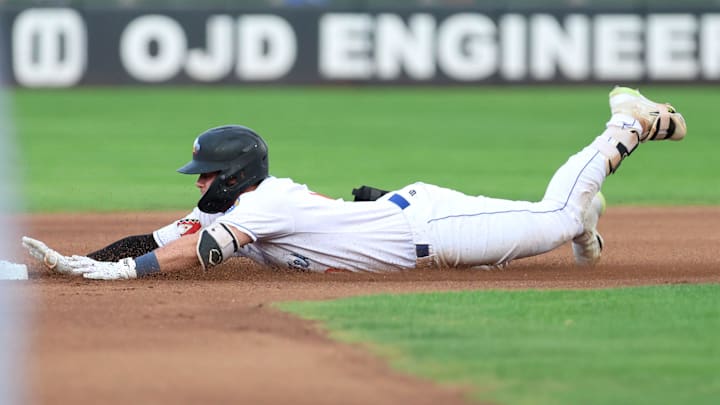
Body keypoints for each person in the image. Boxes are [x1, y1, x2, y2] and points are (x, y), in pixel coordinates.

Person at [22, 87, 687, 280]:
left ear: (237, 175)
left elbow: (198, 251)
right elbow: (159, 235)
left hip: (430, 230)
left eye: (208, 176)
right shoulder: (239, 200)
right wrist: (79, 263)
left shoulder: (264, 201)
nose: (199, 189)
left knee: (557, 216)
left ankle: (624, 127)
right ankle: (590, 204)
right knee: (554, 215)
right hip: (406, 218)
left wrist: (129, 274)